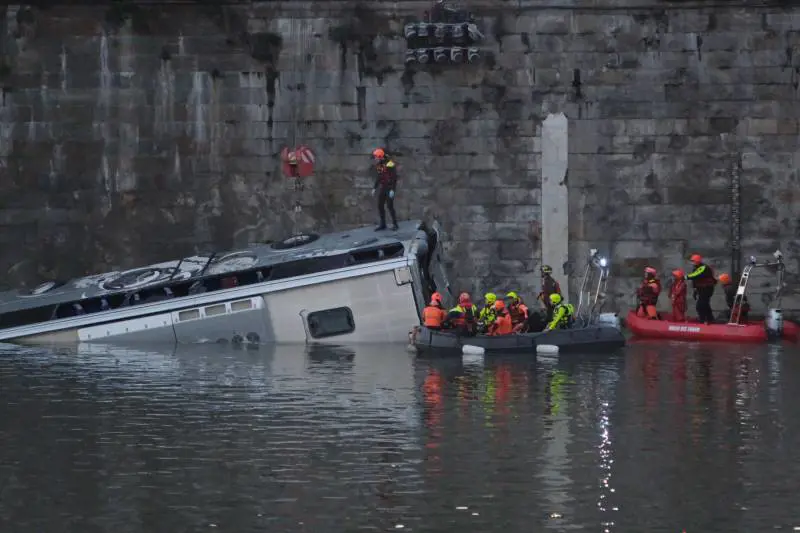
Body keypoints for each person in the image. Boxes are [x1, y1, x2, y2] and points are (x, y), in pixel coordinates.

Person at [371, 148, 399, 231]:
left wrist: (392, 189)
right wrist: (374, 187)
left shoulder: (390, 164)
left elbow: (394, 178)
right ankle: (383, 224)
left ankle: (395, 224)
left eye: (376, 157)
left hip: (389, 187)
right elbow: (379, 177)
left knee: (390, 206)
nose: (375, 159)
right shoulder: (379, 165)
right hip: (383, 187)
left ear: (380, 157)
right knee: (380, 205)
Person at [687, 254, 716, 324]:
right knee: (705, 304)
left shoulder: (704, 268)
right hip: (701, 289)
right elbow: (695, 280)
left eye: (693, 261)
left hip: (707, 289)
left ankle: (702, 319)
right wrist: (695, 289)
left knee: (700, 305)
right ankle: (710, 319)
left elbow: (695, 275)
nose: (692, 262)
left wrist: (685, 277)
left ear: (697, 261)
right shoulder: (696, 268)